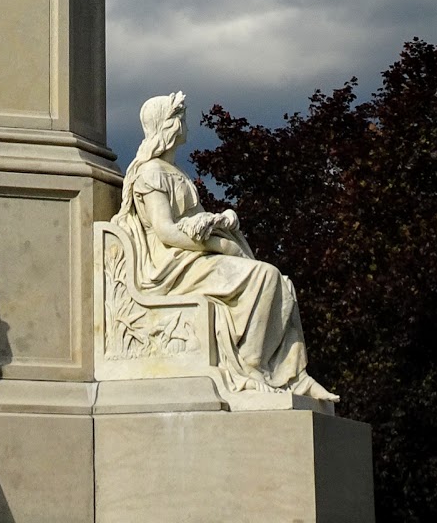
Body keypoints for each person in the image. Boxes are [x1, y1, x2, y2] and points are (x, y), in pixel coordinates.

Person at [114, 91, 336, 399]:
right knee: (265, 276)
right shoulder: (150, 172)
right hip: (171, 264)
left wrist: (222, 220)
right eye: (180, 118)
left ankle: (294, 374)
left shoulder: (175, 173)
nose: (185, 123)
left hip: (190, 253)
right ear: (169, 125)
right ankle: (253, 363)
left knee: (280, 283)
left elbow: (195, 219)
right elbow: (166, 232)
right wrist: (216, 246)